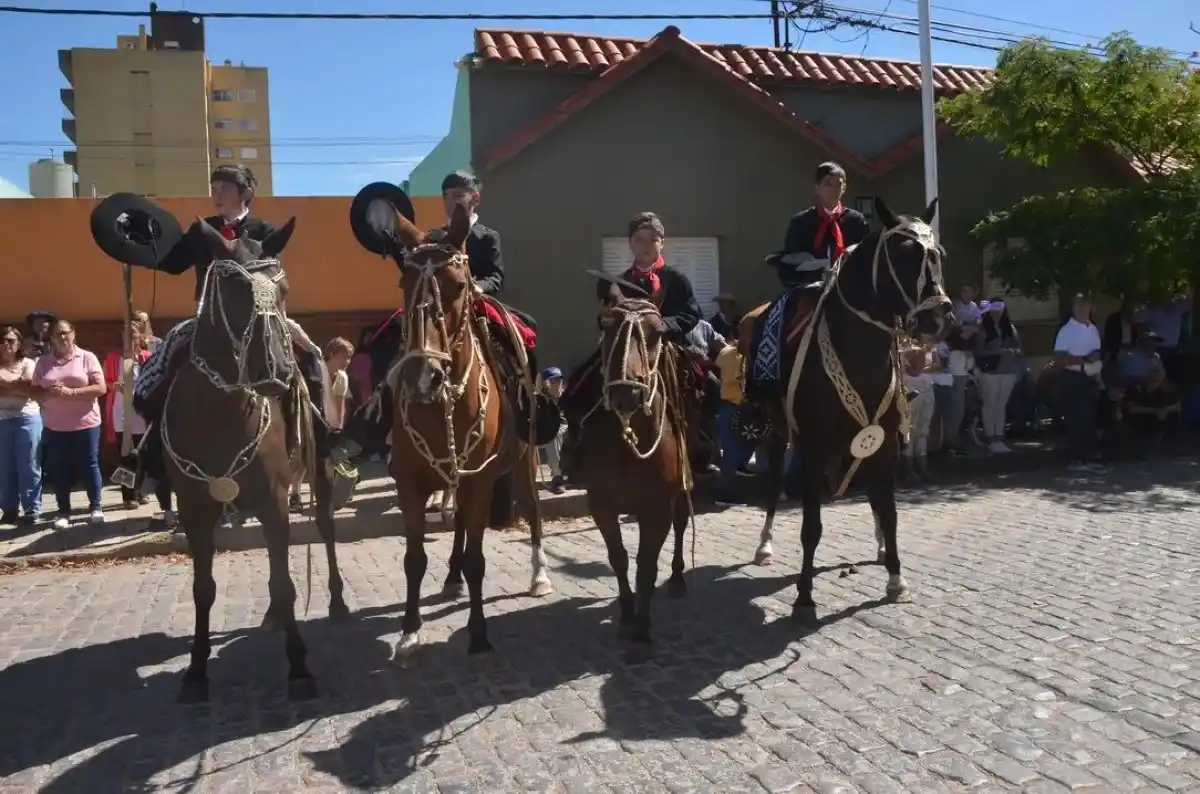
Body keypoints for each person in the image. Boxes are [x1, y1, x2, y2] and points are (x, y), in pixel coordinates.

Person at [131, 164, 338, 482]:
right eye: (214, 188)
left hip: (259, 318)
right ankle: (149, 449)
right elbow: (173, 263)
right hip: (206, 320)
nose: (216, 194)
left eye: (224, 188)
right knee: (157, 369)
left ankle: (325, 446)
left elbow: (273, 279)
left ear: (246, 192)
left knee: (311, 359)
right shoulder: (202, 230)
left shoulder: (264, 232)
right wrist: (135, 246)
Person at [560, 211, 703, 476]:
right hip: (624, 345)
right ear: (631, 244)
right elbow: (606, 315)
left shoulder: (676, 279)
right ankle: (577, 445)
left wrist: (662, 326)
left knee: (707, 385)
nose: (646, 245)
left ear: (662, 243)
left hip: (664, 344)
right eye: (639, 240)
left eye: (652, 239)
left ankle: (699, 449)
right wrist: (605, 321)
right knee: (581, 381)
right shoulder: (617, 282)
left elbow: (691, 314)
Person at [32, 319, 107, 529]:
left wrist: (71, 392)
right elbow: (34, 391)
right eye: (57, 334)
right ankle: (63, 511)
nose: (62, 337)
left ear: (73, 334)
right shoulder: (43, 362)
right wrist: (49, 393)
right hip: (55, 426)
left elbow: (100, 388)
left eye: (65, 333)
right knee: (59, 468)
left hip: (86, 424)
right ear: (51, 338)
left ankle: (95, 506)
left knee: (89, 464)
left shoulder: (87, 357)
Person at [104, 322, 175, 523]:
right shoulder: (113, 358)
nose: (131, 339)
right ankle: (128, 496)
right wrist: (114, 386)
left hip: (142, 413)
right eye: (126, 335)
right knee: (126, 454)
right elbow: (105, 382)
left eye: (134, 335)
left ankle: (140, 490)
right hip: (121, 413)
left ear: (140, 337)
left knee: (143, 454)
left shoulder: (146, 357)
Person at [767, 161, 872, 291]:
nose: (833, 189)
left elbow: (868, 254)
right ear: (817, 187)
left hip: (849, 288)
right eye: (828, 184)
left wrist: (852, 251)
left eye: (838, 185)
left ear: (844, 188)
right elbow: (791, 260)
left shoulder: (856, 220)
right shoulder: (800, 222)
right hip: (809, 288)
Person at [1052, 294, 1104, 472]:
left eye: (1085, 305)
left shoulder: (1093, 329)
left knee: (1089, 419)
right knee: (1076, 419)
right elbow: (1058, 358)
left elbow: (1096, 354)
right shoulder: (1067, 330)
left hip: (1091, 379)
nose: (1082, 309)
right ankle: (1076, 459)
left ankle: (1086, 457)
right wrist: (1083, 359)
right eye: (1078, 305)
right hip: (1073, 378)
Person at [0, 326, 42, 527]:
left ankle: (32, 509)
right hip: (2, 421)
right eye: (3, 341)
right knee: (4, 467)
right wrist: (15, 384)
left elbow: (28, 390)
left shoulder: (28, 363)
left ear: (18, 344)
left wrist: (3, 383)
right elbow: (20, 387)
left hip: (27, 418)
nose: (6, 344)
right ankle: (8, 509)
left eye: (11, 340)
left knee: (29, 465)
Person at [976, 299, 1023, 454]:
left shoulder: (1010, 328)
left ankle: (999, 437)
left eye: (1000, 309)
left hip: (1008, 371)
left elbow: (1019, 349)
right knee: (990, 404)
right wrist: (998, 353)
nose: (997, 313)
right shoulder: (982, 329)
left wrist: (1012, 353)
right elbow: (979, 352)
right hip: (990, 372)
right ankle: (991, 438)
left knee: (1001, 405)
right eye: (994, 309)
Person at [712, 334, 751, 506]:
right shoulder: (743, 356)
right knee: (731, 452)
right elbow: (740, 378)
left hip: (726, 405)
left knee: (735, 448)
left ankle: (739, 468)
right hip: (737, 406)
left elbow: (718, 369)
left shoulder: (725, 352)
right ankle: (725, 495)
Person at [538, 367, 568, 494]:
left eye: (559, 380)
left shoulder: (567, 396)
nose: (557, 384)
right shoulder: (540, 400)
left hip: (568, 428)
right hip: (549, 432)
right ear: (546, 384)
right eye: (553, 381)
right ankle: (558, 477)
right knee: (553, 436)